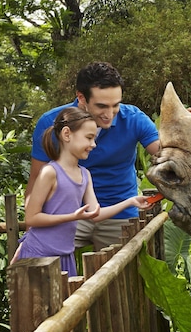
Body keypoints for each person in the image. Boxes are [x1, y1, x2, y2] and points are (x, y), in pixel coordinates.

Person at [25, 61, 160, 251]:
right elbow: (36, 178)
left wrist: (182, 129)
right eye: (101, 106)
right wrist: (31, 227)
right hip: (68, 214)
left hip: (119, 213)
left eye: (115, 105)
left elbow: (165, 154)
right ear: (81, 98)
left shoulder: (134, 119)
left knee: (122, 277)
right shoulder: (51, 122)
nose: (109, 114)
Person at [14, 107, 152, 275]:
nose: (93, 145)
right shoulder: (49, 172)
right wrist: (73, 217)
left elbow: (96, 213)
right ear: (67, 134)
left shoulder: (85, 174)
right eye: (89, 138)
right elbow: (32, 217)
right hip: (40, 254)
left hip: (65, 256)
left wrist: (130, 202)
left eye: (94, 138)